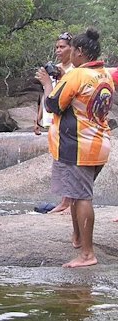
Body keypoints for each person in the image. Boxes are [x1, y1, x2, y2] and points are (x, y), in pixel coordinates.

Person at [36, 28, 114, 268]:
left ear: (79, 52)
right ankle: (79, 237)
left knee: (81, 197)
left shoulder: (77, 75)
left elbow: (53, 105)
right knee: (75, 192)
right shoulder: (105, 74)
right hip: (99, 141)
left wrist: (47, 83)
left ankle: (88, 254)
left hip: (78, 144)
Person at [34, 32, 75, 214]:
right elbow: (46, 94)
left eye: (62, 47)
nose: (58, 50)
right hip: (52, 119)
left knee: (67, 158)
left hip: (67, 118)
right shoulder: (54, 68)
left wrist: (62, 75)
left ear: (72, 49)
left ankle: (68, 202)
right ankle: (64, 200)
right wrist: (39, 118)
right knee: (58, 157)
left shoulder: (74, 70)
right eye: (57, 47)